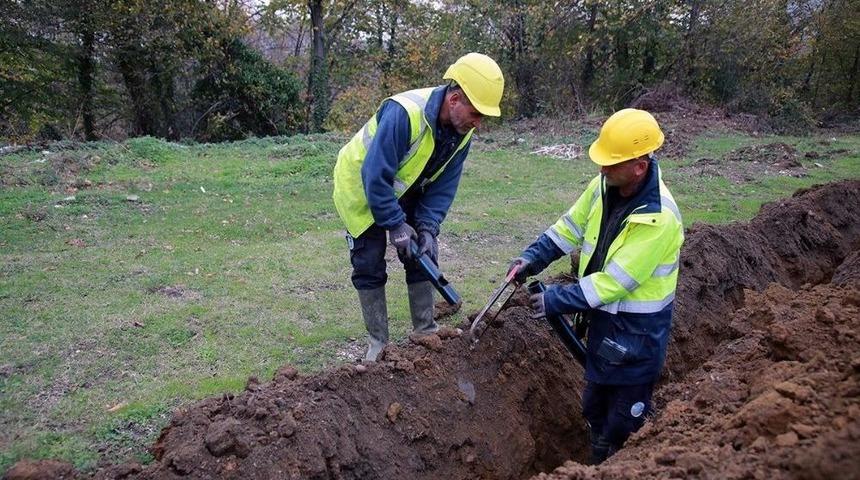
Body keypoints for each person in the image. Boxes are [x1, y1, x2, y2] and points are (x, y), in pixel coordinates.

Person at [508, 109, 684, 464]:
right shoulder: (604, 185)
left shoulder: (659, 217)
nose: (602, 168)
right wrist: (532, 258)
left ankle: (621, 462)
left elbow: (614, 283)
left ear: (639, 165)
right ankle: (598, 456)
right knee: (593, 405)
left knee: (623, 419)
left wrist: (557, 299)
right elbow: (569, 227)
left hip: (638, 335)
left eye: (611, 163)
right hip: (605, 323)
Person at [333, 53, 505, 362]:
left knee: (423, 252)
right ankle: (378, 344)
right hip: (362, 186)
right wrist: (395, 225)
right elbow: (375, 176)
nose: (478, 123)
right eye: (476, 113)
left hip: (404, 185)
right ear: (454, 99)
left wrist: (426, 228)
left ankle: (425, 330)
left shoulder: (461, 135)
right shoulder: (404, 114)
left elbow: (442, 188)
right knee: (369, 262)